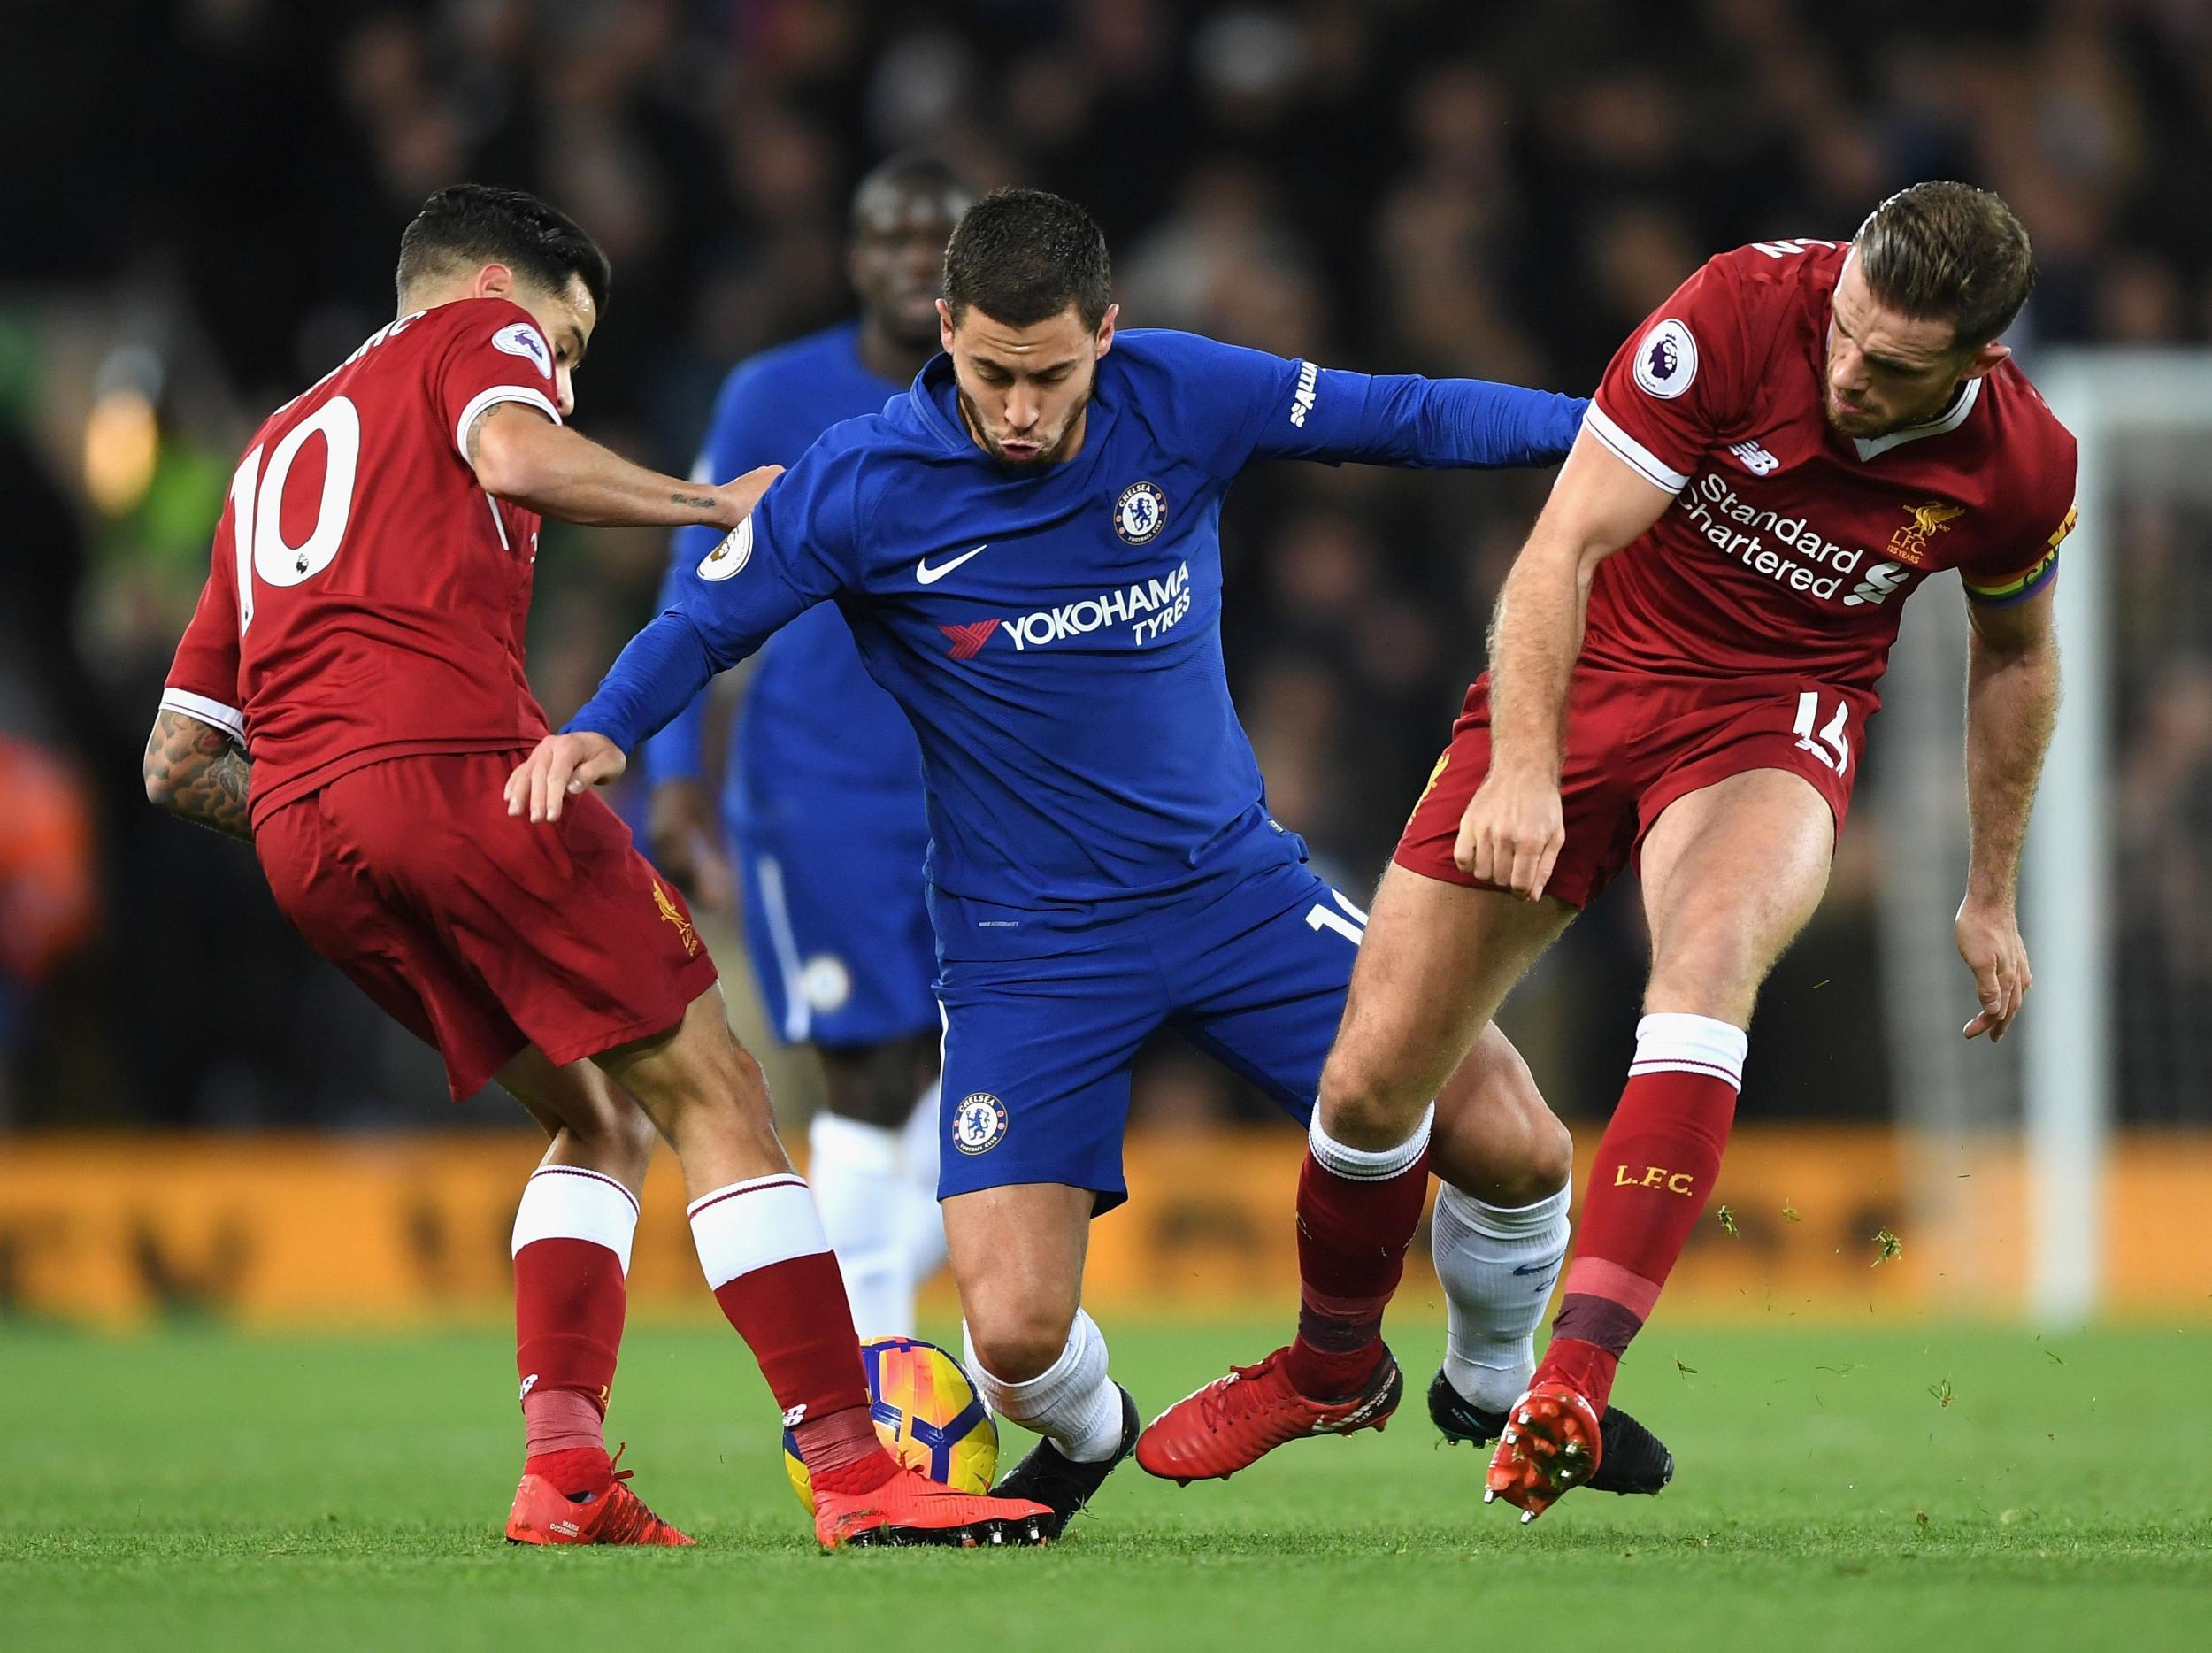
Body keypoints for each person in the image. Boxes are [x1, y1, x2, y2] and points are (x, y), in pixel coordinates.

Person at [508, 188, 1673, 1538]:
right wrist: (600, 732)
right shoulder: (858, 484)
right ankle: (1096, 1431)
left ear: (1107, 336)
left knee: (1519, 1145)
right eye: (992, 373)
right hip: (1027, 954)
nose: (1018, 408)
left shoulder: (1180, 393)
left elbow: (1402, 415)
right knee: (1007, 1341)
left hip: (1240, 896)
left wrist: (1619, 441)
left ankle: (1487, 1383)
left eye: (1051, 375)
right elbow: (701, 626)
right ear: (945, 333)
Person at [145, 183, 1049, 1551]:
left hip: (305, 839)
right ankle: (858, 1472)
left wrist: (338, 800)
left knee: (598, 1116)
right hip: (462, 774)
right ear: (498, 283)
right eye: (564, 343)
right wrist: (712, 502)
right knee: (721, 1091)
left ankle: (563, 1471)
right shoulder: (476, 333)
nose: (559, 376)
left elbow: (174, 760)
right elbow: (513, 454)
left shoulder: (273, 448)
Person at [1160, 181, 2076, 1522]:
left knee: (1703, 972)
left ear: (1978, 361)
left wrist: (1990, 888)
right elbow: (1562, 548)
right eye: (1847, 335)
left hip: (1775, 714)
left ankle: (1568, 1384)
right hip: (1585, 676)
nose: (1849, 373)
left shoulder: (2022, 462)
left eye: (1890, 366)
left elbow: (2017, 659)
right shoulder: (1737, 313)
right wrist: (1526, 770)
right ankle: (1331, 1369)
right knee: (1366, 1084)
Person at [645, 155, 972, 1339]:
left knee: (1007, 1072)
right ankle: (879, 1369)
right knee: (869, 1073)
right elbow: (697, 583)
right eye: (886, 236)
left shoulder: (1019, 393)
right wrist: (678, 781)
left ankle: (887, 1322)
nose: (907, 258)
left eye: (935, 237)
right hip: (819, 791)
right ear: (851, 257)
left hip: (984, 789)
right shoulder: (773, 395)